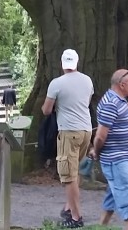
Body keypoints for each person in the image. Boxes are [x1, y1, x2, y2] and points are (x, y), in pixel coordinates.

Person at [43, 49, 94, 228]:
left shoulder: (56, 83)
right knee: (76, 171)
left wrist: (58, 104)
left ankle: (76, 217)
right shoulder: (87, 80)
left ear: (62, 64)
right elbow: (86, 103)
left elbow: (46, 110)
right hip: (86, 130)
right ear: (77, 63)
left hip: (68, 131)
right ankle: (68, 207)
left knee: (68, 175)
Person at [88, 69, 128, 230]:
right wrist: (96, 151)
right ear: (122, 84)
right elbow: (101, 136)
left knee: (113, 197)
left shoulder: (118, 100)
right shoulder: (111, 103)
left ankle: (101, 227)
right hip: (115, 159)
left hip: (120, 157)